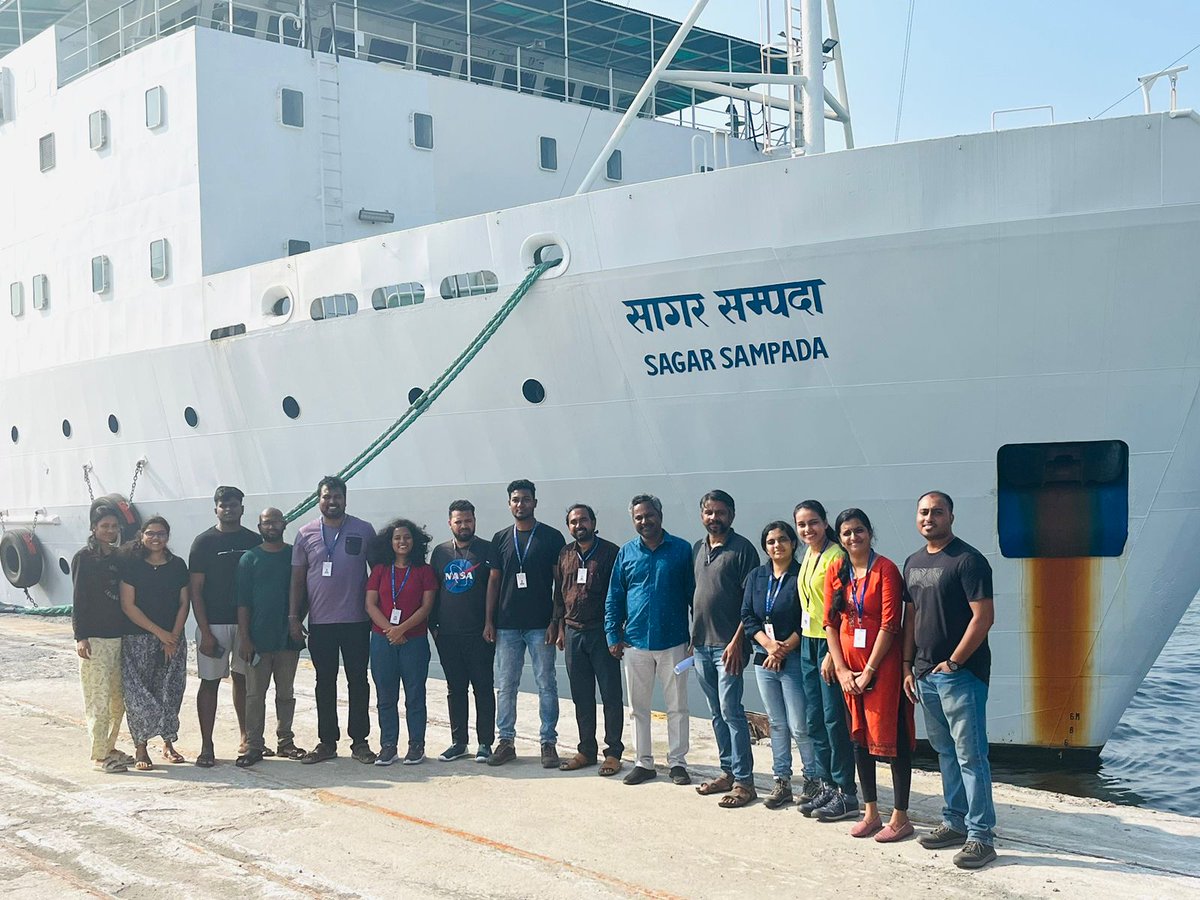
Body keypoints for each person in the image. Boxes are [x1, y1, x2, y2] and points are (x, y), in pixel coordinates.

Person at [902, 491, 998, 869]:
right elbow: (911, 618)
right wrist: (909, 663)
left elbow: (983, 617)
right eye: (923, 512)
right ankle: (954, 821)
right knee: (945, 754)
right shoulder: (912, 562)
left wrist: (955, 662)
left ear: (951, 516)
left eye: (937, 512)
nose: (929, 518)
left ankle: (981, 836)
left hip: (960, 676)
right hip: (925, 674)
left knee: (971, 756)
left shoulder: (968, 561)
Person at [824, 509, 914, 840]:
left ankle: (901, 816)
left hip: (883, 668)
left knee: (892, 737)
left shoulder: (886, 570)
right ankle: (871, 811)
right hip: (849, 668)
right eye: (846, 533)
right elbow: (829, 623)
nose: (853, 538)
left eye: (859, 531)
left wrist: (870, 671)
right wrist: (843, 668)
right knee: (858, 739)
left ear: (870, 533)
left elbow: (891, 624)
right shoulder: (837, 568)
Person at [605, 494, 694, 787]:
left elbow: (695, 595)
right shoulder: (626, 553)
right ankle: (643, 762)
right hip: (635, 642)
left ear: (660, 514)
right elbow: (615, 596)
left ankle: (678, 762)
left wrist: (697, 636)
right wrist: (612, 634)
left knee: (677, 706)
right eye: (638, 517)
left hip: (674, 641)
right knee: (638, 708)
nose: (644, 521)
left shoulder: (681, 550)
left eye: (649, 515)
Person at [289, 475, 378, 764]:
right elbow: (298, 580)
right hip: (321, 622)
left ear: (345, 499)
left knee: (358, 681)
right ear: (319, 499)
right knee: (324, 681)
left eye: (337, 496)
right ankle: (326, 741)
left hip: (356, 621)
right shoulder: (305, 533)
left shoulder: (364, 530)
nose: (332, 501)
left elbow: (378, 575)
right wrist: (293, 617)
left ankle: (360, 741)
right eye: (327, 496)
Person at [485, 479, 566, 768]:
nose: (521, 504)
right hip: (506, 625)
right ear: (509, 504)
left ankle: (548, 742)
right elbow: (494, 582)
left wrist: (557, 621)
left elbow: (560, 583)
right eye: (516, 500)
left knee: (547, 683)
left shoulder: (551, 537)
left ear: (535, 502)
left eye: (526, 499)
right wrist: (489, 621)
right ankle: (505, 741)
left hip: (540, 624)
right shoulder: (500, 538)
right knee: (506, 684)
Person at [691, 490, 759, 807]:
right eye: (709, 512)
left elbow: (751, 603)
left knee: (732, 712)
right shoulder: (697, 548)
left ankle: (745, 783)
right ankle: (728, 772)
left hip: (728, 647)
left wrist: (737, 642)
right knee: (716, 713)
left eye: (720, 512)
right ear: (702, 515)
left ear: (732, 514)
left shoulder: (743, 550)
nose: (714, 518)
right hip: (702, 644)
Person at [188, 486, 262, 767]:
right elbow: (196, 589)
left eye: (234, 504)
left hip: (246, 626)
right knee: (209, 683)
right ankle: (207, 745)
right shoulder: (203, 542)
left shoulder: (254, 541)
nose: (228, 509)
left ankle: (245, 738)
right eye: (223, 504)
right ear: (215, 509)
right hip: (214, 624)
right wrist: (204, 631)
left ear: (242, 508)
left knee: (244, 681)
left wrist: (250, 632)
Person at [741, 521, 811, 810]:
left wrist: (782, 649)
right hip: (764, 657)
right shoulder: (757, 576)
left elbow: (806, 618)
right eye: (771, 541)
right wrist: (769, 646)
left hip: (792, 657)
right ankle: (782, 780)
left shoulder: (801, 574)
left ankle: (812, 779)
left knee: (800, 724)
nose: (777, 545)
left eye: (783, 539)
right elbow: (747, 615)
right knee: (778, 724)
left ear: (793, 543)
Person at [794, 500, 858, 816]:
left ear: (824, 522)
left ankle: (847, 792)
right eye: (802, 525)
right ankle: (827, 786)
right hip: (808, 642)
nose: (808, 530)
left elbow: (841, 607)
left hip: (828, 646)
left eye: (813, 523)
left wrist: (835, 654)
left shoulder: (836, 555)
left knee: (834, 720)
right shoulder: (808, 553)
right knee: (814, 720)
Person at [552, 503, 623, 776]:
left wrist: (616, 631)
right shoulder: (565, 553)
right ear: (568, 526)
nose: (578, 525)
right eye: (573, 522)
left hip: (601, 632)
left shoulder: (610, 552)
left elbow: (619, 594)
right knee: (581, 695)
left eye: (583, 520)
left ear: (593, 522)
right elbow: (559, 592)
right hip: (572, 632)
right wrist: (559, 627)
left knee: (610, 694)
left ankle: (614, 752)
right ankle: (586, 750)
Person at [235, 508, 306, 767]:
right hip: (258, 638)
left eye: (276, 521)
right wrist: (245, 638)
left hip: (287, 638)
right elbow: (243, 603)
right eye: (267, 522)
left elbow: (303, 593)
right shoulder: (249, 559)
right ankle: (254, 745)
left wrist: (297, 621)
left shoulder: (294, 556)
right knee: (255, 695)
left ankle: (285, 741)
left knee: (286, 693)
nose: (272, 526)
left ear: (284, 523)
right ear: (259, 525)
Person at [119, 516, 189, 771]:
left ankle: (168, 742)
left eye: (160, 533)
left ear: (167, 536)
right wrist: (160, 633)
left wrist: (173, 636)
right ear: (142, 536)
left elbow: (184, 602)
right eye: (150, 533)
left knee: (171, 691)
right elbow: (128, 605)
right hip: (139, 638)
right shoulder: (133, 565)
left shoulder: (178, 565)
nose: (155, 538)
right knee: (139, 693)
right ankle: (141, 746)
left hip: (172, 638)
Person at [366, 519, 437, 766]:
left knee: (415, 694)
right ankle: (388, 745)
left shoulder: (424, 571)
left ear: (414, 541)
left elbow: (426, 606)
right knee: (386, 695)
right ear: (390, 542)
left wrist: (402, 629)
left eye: (407, 537)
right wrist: (390, 630)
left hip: (414, 640)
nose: (402, 542)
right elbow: (370, 604)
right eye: (397, 538)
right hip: (382, 640)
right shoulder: (380, 570)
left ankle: (416, 744)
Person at [429, 500, 495, 763]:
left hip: (479, 634)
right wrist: (433, 627)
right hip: (448, 635)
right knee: (455, 689)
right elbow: (433, 590)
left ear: (474, 521)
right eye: (458, 521)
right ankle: (459, 742)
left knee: (483, 687)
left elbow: (495, 589)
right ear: (450, 523)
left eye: (468, 520)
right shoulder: (440, 552)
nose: (463, 525)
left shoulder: (487, 550)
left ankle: (485, 742)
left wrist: (491, 623)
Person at [72, 501, 134, 773]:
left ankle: (108, 746)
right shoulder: (84, 558)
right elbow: (78, 599)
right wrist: (80, 635)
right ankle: (98, 756)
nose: (110, 530)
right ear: (93, 528)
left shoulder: (120, 557)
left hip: (119, 636)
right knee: (98, 698)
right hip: (95, 638)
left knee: (117, 699)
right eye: (104, 526)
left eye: (113, 526)